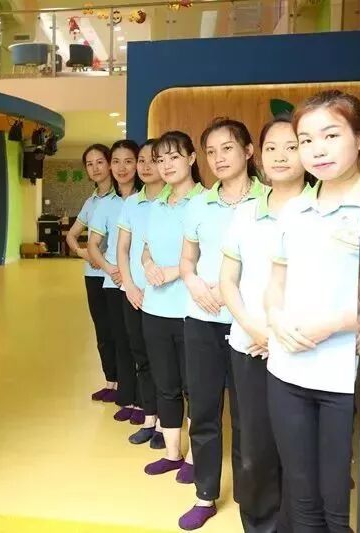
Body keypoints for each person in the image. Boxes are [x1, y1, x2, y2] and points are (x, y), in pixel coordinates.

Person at [265, 90, 360, 532]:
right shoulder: (294, 209)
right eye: (306, 140)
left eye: (331, 135)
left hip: (347, 379)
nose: (318, 150)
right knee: (301, 497)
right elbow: (275, 286)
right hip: (287, 372)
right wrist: (275, 319)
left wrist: (339, 322)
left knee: (337, 503)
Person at [219, 115, 312, 533]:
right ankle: (259, 524)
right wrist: (255, 329)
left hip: (304, 347)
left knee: (301, 449)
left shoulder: (319, 210)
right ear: (259, 154)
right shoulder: (245, 214)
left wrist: (280, 336)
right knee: (255, 447)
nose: (280, 156)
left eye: (292, 147)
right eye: (271, 148)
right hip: (251, 347)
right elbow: (227, 280)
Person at [178, 118, 268, 530]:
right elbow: (188, 259)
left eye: (227, 148)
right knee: (203, 410)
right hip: (203, 319)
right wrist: (195, 283)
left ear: (248, 151)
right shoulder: (198, 204)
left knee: (249, 418)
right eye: (211, 152)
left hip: (250, 326)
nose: (218, 158)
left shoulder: (270, 198)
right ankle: (205, 494)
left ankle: (252, 501)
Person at [139, 131, 201, 482]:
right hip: (155, 309)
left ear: (191, 158)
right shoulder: (157, 204)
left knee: (194, 388)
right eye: (160, 159)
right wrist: (148, 264)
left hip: (191, 311)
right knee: (165, 384)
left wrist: (174, 271)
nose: (165, 165)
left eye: (173, 157)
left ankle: (194, 457)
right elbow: (146, 247)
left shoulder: (206, 201)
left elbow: (209, 251)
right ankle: (172, 453)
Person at [88, 140, 143, 424]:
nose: (122, 168)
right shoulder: (106, 204)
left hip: (142, 283)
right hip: (114, 283)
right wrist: (111, 269)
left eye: (129, 161)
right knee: (121, 341)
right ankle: (127, 396)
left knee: (140, 344)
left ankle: (144, 401)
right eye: (116, 162)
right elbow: (93, 244)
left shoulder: (146, 199)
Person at [116, 139, 166, 445]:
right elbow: (123, 249)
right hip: (134, 293)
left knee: (165, 363)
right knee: (142, 358)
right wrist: (130, 286)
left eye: (153, 160)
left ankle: (165, 425)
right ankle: (150, 418)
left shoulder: (174, 200)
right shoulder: (131, 203)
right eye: (142, 160)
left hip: (165, 294)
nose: (146, 166)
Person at [65, 144, 118, 403]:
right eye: (89, 164)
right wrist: (83, 253)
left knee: (120, 332)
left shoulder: (124, 197)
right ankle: (111, 382)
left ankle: (127, 384)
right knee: (103, 332)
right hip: (94, 275)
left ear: (109, 164)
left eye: (100, 162)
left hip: (117, 275)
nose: (95, 168)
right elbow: (71, 235)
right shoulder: (91, 202)